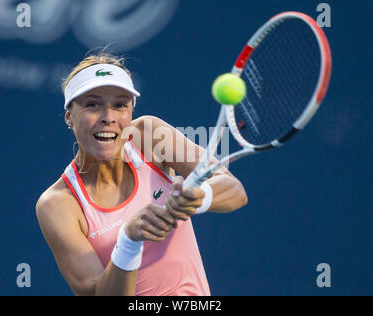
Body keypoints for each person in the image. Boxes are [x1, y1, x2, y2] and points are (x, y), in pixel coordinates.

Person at [36, 52, 248, 296]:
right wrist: (129, 240)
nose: (108, 117)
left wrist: (197, 197)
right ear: (69, 117)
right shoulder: (58, 205)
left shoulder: (149, 134)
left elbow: (235, 191)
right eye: (92, 105)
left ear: (131, 113)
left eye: (120, 105)